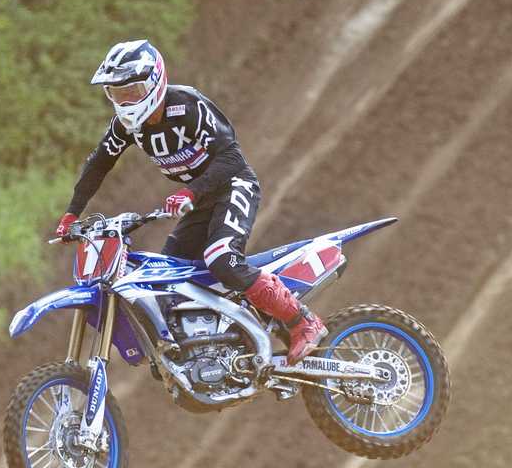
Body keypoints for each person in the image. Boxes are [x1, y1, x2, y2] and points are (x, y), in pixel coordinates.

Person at [54, 39, 327, 364]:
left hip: (233, 186)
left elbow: (229, 157)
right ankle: (209, 348)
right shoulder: (127, 127)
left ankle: (302, 321)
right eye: (116, 93)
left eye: (132, 90)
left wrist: (190, 192)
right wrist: (72, 214)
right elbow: (98, 164)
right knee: (166, 276)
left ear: (155, 82)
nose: (125, 100)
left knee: (221, 258)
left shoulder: (187, 106)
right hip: (200, 199)